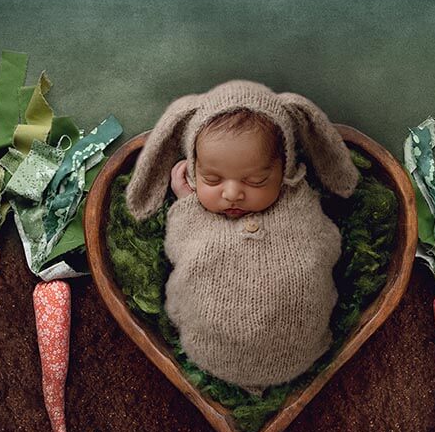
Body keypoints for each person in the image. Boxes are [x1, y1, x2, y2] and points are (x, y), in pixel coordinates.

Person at [124, 80, 360, 395]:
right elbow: (181, 249)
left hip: (296, 346)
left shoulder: (300, 203)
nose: (233, 193)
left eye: (256, 180)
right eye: (212, 178)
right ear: (194, 171)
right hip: (211, 347)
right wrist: (185, 203)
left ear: (286, 169)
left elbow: (323, 247)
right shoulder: (194, 210)